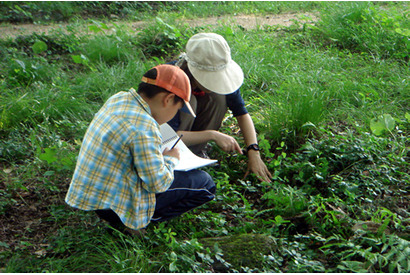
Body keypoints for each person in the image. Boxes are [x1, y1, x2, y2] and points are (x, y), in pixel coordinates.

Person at [65, 64, 215, 235]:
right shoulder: (145, 127)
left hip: (93, 197)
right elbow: (158, 183)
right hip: (115, 208)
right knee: (205, 183)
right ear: (168, 99)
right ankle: (136, 224)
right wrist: (171, 159)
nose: (175, 113)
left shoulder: (119, 99)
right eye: (178, 108)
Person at [168, 33, 272, 183]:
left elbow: (241, 113)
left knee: (218, 97)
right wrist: (212, 135)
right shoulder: (169, 81)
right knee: (189, 100)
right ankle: (178, 160)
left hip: (184, 139)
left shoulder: (218, 81)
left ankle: (196, 154)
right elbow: (165, 137)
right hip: (165, 144)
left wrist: (254, 152)